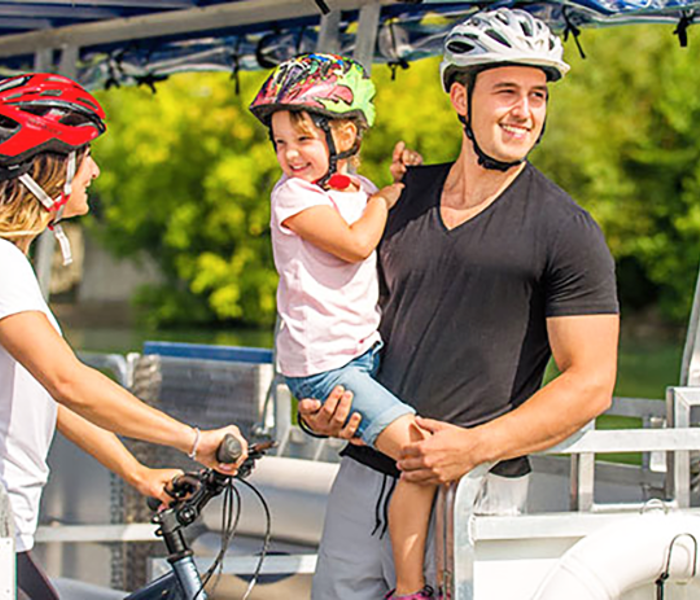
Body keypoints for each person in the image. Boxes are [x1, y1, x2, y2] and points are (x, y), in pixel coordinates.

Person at [298, 8, 620, 599]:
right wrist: (317, 410)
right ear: (459, 97)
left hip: (476, 492)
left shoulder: (566, 229)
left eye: (538, 95)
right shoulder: (397, 199)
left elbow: (592, 383)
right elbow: (335, 322)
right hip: (362, 480)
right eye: (505, 91)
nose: (524, 111)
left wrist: (474, 446)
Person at [0, 73, 248, 599]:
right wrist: (194, 440)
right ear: (44, 168)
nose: (94, 170)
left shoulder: (12, 263)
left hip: (10, 533)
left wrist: (135, 471)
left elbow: (49, 394)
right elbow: (70, 383)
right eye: (82, 155)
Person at [249, 53, 435, 600]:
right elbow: (357, 244)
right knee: (420, 453)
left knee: (404, 454)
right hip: (324, 367)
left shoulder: (360, 189)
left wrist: (404, 182)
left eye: (302, 140)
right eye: (280, 143)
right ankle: (409, 589)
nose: (290, 155)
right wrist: (385, 198)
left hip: (362, 353)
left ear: (348, 132)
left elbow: (388, 218)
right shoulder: (293, 196)